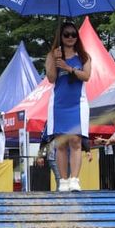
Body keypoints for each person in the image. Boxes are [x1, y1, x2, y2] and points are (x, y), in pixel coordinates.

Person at [45, 21, 91, 192]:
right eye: (66, 34)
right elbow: (50, 78)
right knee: (61, 143)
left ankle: (74, 180)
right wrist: (55, 60)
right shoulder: (53, 55)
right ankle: (63, 181)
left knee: (75, 140)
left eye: (74, 34)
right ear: (61, 37)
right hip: (58, 103)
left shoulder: (84, 56)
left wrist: (68, 68)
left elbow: (86, 76)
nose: (70, 37)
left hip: (77, 103)